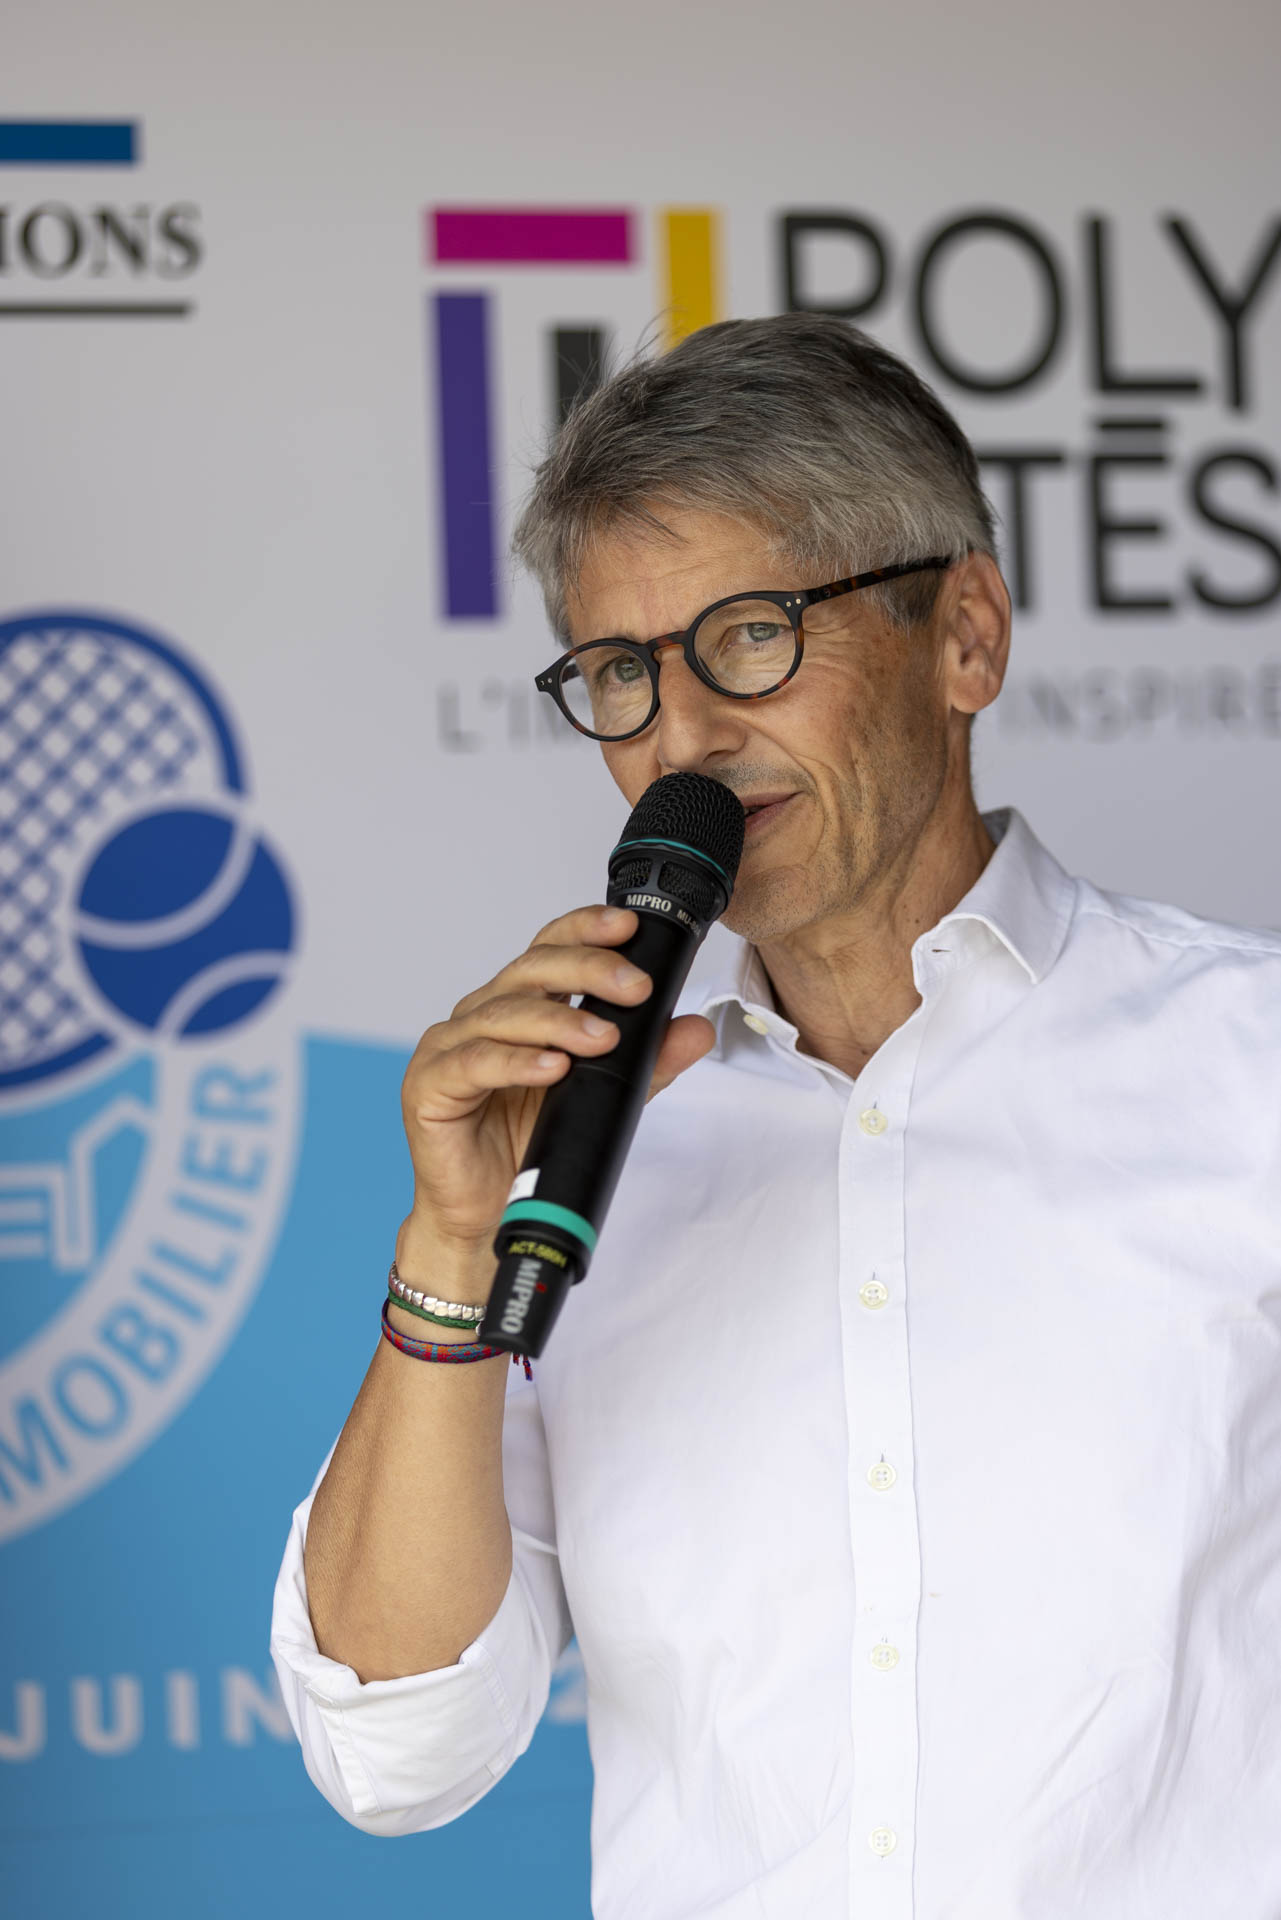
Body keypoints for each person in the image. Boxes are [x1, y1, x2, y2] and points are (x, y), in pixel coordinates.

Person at [270, 315, 1281, 1919]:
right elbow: (396, 1749)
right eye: (622, 673)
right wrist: (454, 1246)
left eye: (749, 635)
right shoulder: (576, 1158)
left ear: (963, 637)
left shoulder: (1250, 1067)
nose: (682, 740)